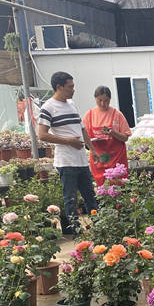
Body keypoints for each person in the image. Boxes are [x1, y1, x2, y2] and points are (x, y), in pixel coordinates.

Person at [37, 71, 99, 236]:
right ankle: (75, 231)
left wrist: (92, 150)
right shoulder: (48, 108)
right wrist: (68, 141)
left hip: (81, 160)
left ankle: (99, 226)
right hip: (66, 161)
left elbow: (82, 129)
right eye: (70, 87)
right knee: (70, 198)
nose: (73, 90)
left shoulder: (71, 104)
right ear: (59, 87)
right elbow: (42, 134)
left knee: (90, 196)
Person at [83, 86, 131, 186]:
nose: (103, 103)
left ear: (110, 99)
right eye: (99, 100)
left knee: (118, 185)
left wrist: (113, 133)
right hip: (98, 158)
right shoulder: (89, 115)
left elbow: (125, 137)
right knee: (102, 187)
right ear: (95, 98)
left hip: (116, 158)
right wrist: (91, 147)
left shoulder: (117, 114)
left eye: (106, 101)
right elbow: (84, 136)